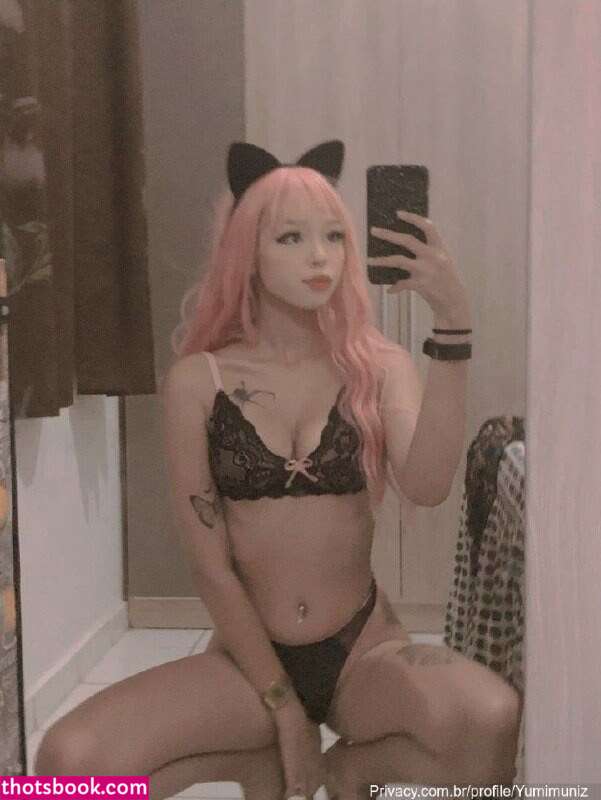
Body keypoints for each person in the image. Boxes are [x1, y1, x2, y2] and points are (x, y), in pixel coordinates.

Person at [34, 141, 522, 800]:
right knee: (66, 764)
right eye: (290, 237)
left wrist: (453, 326)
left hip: (362, 650)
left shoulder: (379, 367)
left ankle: (348, 772)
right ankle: (253, 760)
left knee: (490, 717)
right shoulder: (198, 382)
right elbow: (210, 565)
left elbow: (429, 486)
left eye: (333, 236)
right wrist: (284, 710)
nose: (319, 256)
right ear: (248, 254)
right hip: (248, 659)